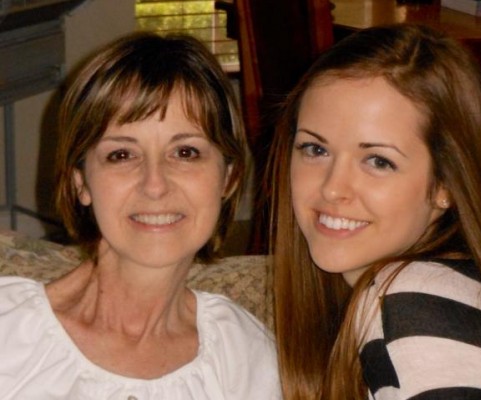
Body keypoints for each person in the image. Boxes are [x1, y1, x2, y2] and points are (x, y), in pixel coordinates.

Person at [269, 24, 481, 400]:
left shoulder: (410, 312)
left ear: (446, 184)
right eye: (315, 149)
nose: (333, 188)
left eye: (378, 161)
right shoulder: (449, 289)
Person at [0, 32, 281, 399]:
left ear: (229, 178)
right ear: (80, 182)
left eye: (185, 152)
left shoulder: (246, 358)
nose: (155, 185)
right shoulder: (10, 332)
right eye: (122, 155)